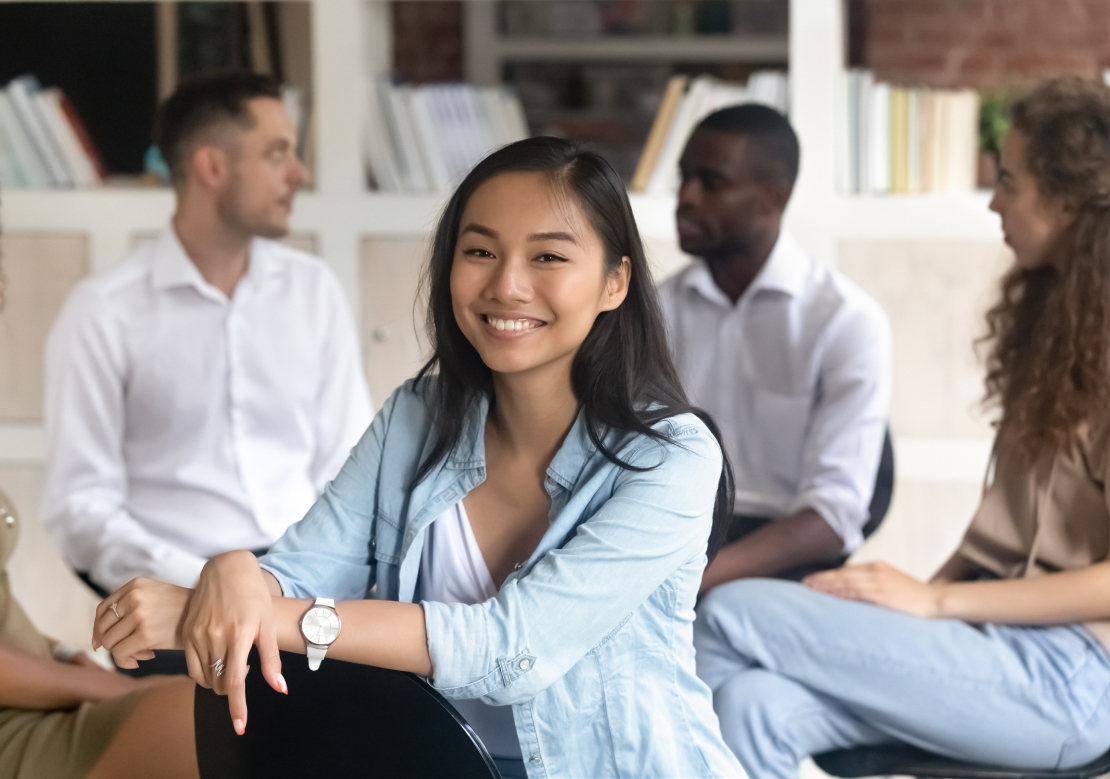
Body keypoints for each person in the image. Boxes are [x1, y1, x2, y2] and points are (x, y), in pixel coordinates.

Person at [92, 137, 747, 779]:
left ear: (615, 282)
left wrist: (205, 612)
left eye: (548, 256)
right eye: (480, 250)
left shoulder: (674, 459)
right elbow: (302, 569)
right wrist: (234, 573)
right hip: (434, 759)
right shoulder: (417, 415)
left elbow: (513, 646)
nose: (507, 284)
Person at [692, 77, 1110, 778]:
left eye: (1009, 181)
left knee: (730, 610)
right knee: (752, 706)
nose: (993, 201)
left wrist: (933, 600)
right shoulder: (1059, 336)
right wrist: (906, 603)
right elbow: (998, 543)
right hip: (989, 646)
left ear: (1068, 201)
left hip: (1073, 676)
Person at [42, 72, 372, 597]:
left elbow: (350, 467)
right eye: (277, 153)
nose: (300, 174)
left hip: (306, 588)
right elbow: (80, 506)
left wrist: (299, 581)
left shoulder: (314, 291)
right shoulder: (104, 311)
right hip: (175, 594)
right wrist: (206, 586)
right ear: (211, 166)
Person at [657, 104, 892, 590]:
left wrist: (698, 578)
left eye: (710, 182)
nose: (685, 197)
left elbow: (833, 515)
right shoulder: (656, 311)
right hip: (672, 532)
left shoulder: (844, 321)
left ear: (771, 199)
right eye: (683, 178)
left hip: (786, 550)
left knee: (728, 622)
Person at [0, 228, 197, 779]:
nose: (4, 285)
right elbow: (84, 510)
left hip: (41, 682)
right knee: (212, 718)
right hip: (16, 723)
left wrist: (63, 655)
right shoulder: (105, 310)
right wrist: (96, 684)